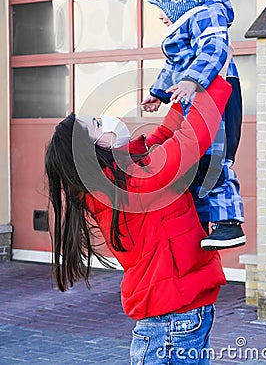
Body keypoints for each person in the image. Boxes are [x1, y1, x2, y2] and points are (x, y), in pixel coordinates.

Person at [45, 76, 232, 365]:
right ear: (92, 152)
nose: (108, 120)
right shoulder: (134, 184)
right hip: (171, 323)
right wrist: (213, 79)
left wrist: (183, 95)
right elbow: (191, 138)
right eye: (97, 124)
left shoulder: (126, 177)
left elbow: (161, 139)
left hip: (180, 314)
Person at [142, 0, 246, 251]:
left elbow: (216, 49)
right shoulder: (184, 26)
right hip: (199, 94)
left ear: (181, 2)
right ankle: (202, 223)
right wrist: (158, 93)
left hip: (218, 91)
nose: (161, 16)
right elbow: (176, 63)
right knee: (196, 160)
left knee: (214, 157)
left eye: (163, 9)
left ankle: (229, 223)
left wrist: (193, 81)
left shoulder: (207, 13)